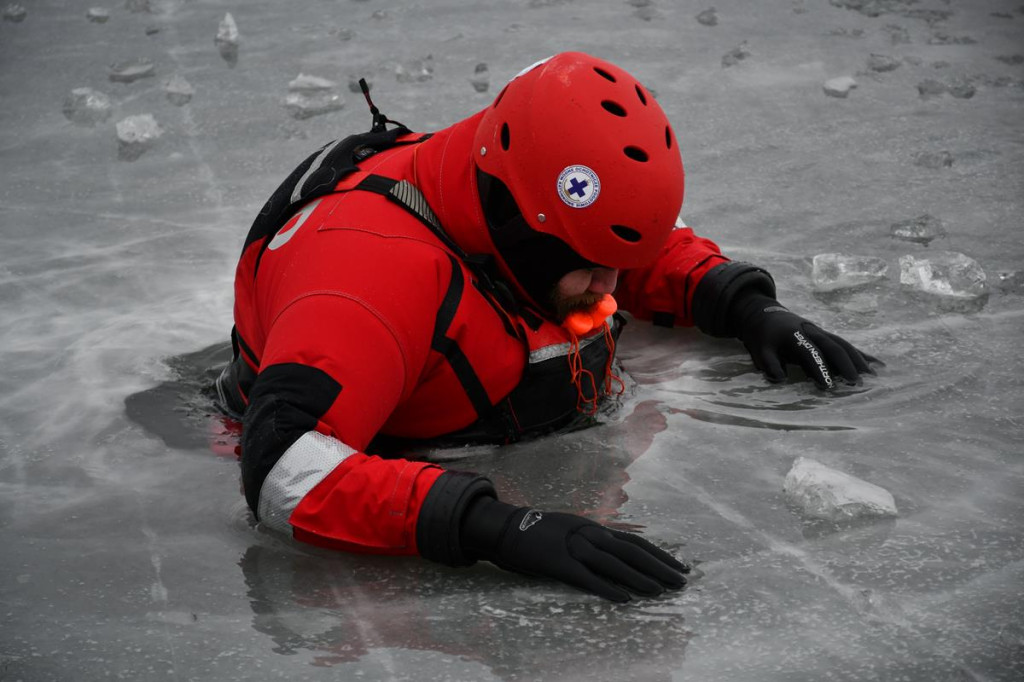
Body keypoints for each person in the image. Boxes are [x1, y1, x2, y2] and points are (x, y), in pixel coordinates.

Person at [215, 52, 876, 603]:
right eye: (591, 269)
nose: (613, 288)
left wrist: (738, 301)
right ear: (515, 226)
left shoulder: (523, 197)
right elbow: (278, 468)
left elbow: (622, 238)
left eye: (619, 268)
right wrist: (492, 527)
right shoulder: (367, 281)